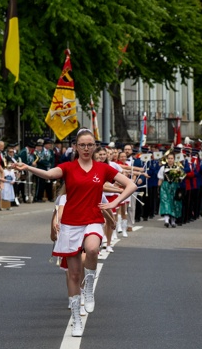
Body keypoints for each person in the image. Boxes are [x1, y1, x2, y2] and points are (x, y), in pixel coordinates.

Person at [13, 128, 136, 337]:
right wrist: (28, 168)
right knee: (74, 273)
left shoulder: (103, 168)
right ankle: (76, 319)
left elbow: (130, 185)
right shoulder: (68, 167)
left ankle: (90, 284)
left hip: (93, 219)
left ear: (95, 146)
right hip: (71, 224)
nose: (86, 148)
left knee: (92, 249)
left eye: (90, 145)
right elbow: (49, 174)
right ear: (76, 147)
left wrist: (114, 202)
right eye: (82, 145)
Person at [158, 153, 184, 228]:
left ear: (174, 159)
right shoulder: (163, 168)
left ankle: (173, 221)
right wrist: (158, 188)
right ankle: (166, 220)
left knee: (174, 203)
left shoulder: (178, 168)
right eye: (169, 158)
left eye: (171, 158)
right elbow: (160, 179)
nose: (170, 160)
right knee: (165, 202)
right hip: (165, 186)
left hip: (174, 186)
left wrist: (178, 178)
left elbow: (181, 179)